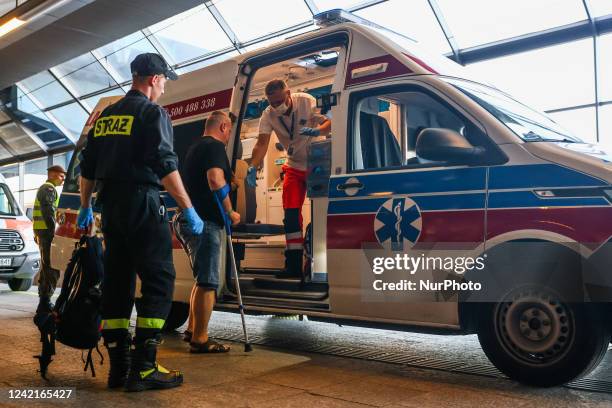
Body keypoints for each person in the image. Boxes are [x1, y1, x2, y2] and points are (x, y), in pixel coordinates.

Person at [77, 53, 204, 392]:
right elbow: (165, 164)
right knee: (159, 280)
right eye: (164, 80)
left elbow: (86, 168)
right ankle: (145, 368)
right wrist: (188, 208)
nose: (164, 87)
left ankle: (119, 368)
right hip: (143, 204)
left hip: (110, 209)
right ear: (153, 79)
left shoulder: (106, 116)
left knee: (117, 283)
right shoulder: (152, 113)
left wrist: (86, 206)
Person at [247, 79, 331, 278]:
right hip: (293, 166)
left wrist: (316, 131)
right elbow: (261, 143)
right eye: (272, 103)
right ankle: (293, 265)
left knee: (322, 214)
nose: (276, 106)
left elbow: (329, 123)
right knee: (291, 217)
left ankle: (322, 265)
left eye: (279, 101)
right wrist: (252, 166)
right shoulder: (268, 114)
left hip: (317, 164)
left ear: (289, 93)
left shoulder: (306, 101)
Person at [181, 110, 239, 353]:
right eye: (229, 132)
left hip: (193, 220)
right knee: (209, 283)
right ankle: (201, 339)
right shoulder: (215, 147)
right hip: (207, 222)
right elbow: (215, 179)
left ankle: (192, 329)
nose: (229, 137)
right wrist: (230, 211)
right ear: (224, 127)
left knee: (201, 280)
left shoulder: (195, 148)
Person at [32, 165, 66, 315]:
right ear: (52, 174)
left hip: (43, 233)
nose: (63, 179)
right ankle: (45, 302)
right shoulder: (48, 189)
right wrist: (55, 234)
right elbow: (48, 212)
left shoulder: (47, 188)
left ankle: (43, 302)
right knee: (52, 268)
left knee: (47, 267)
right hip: (47, 234)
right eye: (61, 176)